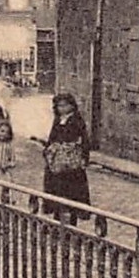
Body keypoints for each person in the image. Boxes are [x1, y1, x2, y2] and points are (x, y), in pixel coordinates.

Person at [36, 91, 91, 223]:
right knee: (56, 194)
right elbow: (52, 137)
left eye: (65, 105)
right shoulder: (58, 120)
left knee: (71, 195)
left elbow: (84, 140)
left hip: (71, 163)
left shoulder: (77, 121)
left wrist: (84, 157)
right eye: (59, 106)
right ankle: (56, 220)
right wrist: (48, 150)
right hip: (56, 162)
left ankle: (71, 222)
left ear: (72, 105)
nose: (62, 109)